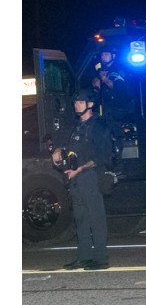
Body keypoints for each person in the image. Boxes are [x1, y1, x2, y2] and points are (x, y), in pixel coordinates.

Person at [51, 87, 113, 270]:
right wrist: (58, 151)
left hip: (91, 177)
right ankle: (84, 256)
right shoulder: (76, 126)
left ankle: (101, 258)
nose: (76, 105)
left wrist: (79, 169)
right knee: (81, 219)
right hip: (76, 180)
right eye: (75, 102)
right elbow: (69, 148)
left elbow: (103, 156)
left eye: (80, 102)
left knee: (96, 218)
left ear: (90, 104)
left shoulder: (99, 126)